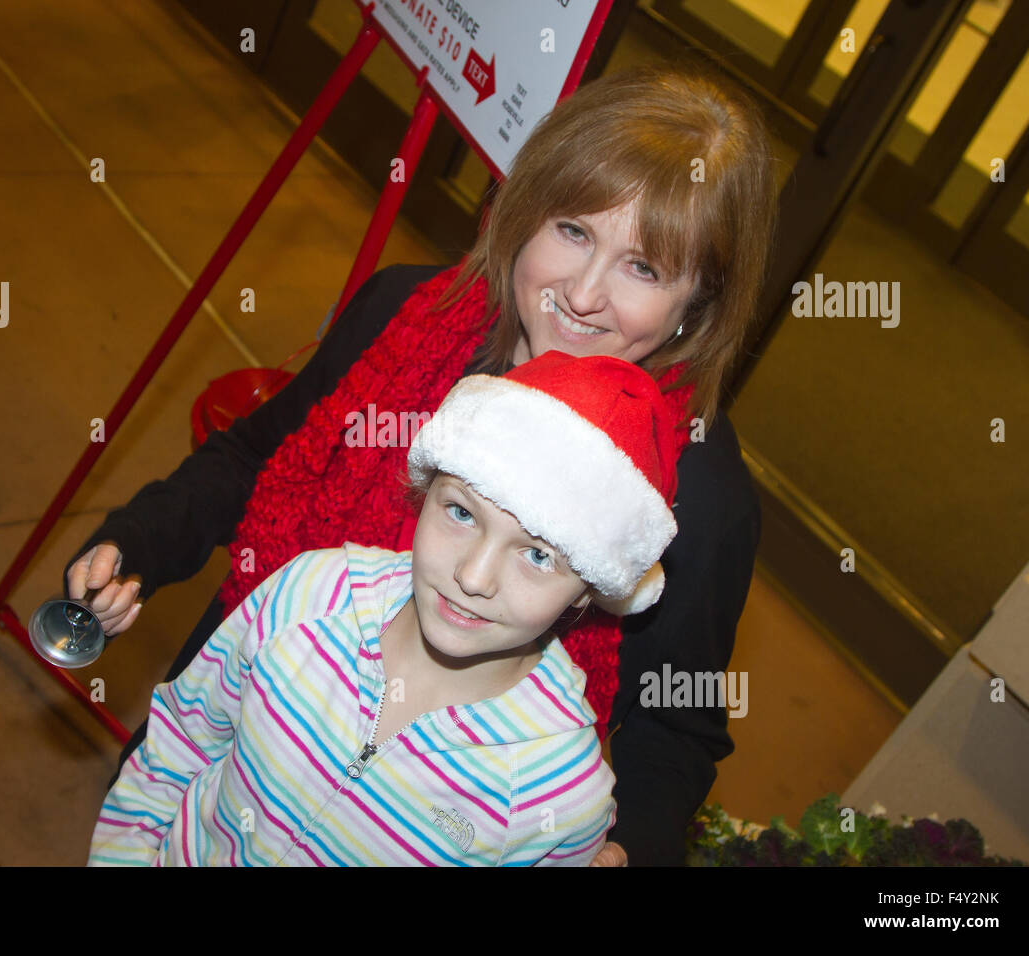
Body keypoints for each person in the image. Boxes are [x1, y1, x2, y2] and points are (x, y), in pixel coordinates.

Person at [67, 62, 777, 865]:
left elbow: (673, 723)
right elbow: (252, 460)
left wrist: (633, 848)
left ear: (698, 305)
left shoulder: (698, 494)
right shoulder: (407, 310)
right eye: (573, 231)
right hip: (236, 749)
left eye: (642, 268)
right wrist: (135, 546)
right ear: (523, 211)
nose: (581, 295)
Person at [89, 352, 682, 866]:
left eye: (536, 554)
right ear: (426, 490)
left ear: (588, 590)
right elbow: (179, 745)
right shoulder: (311, 594)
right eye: (461, 513)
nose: (472, 577)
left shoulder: (557, 790)